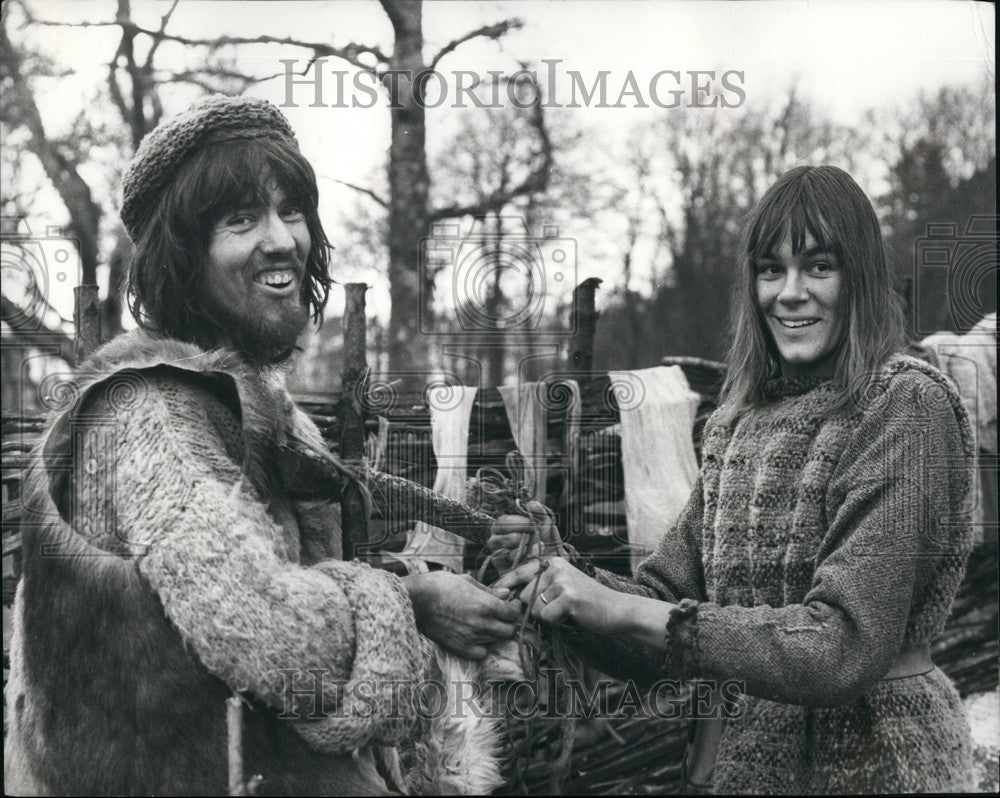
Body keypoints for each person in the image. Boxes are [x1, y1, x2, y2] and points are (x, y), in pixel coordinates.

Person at [4, 95, 518, 796]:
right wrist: (416, 603)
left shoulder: (253, 401)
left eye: (291, 210)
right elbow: (269, 636)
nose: (281, 239)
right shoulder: (150, 408)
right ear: (183, 257)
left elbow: (293, 571)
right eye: (240, 220)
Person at [491, 165, 977, 794]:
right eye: (770, 269)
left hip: (882, 760)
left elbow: (842, 646)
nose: (789, 293)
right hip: (751, 766)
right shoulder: (737, 424)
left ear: (861, 278)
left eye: (819, 267)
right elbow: (657, 619)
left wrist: (624, 607)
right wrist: (561, 579)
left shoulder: (904, 406)